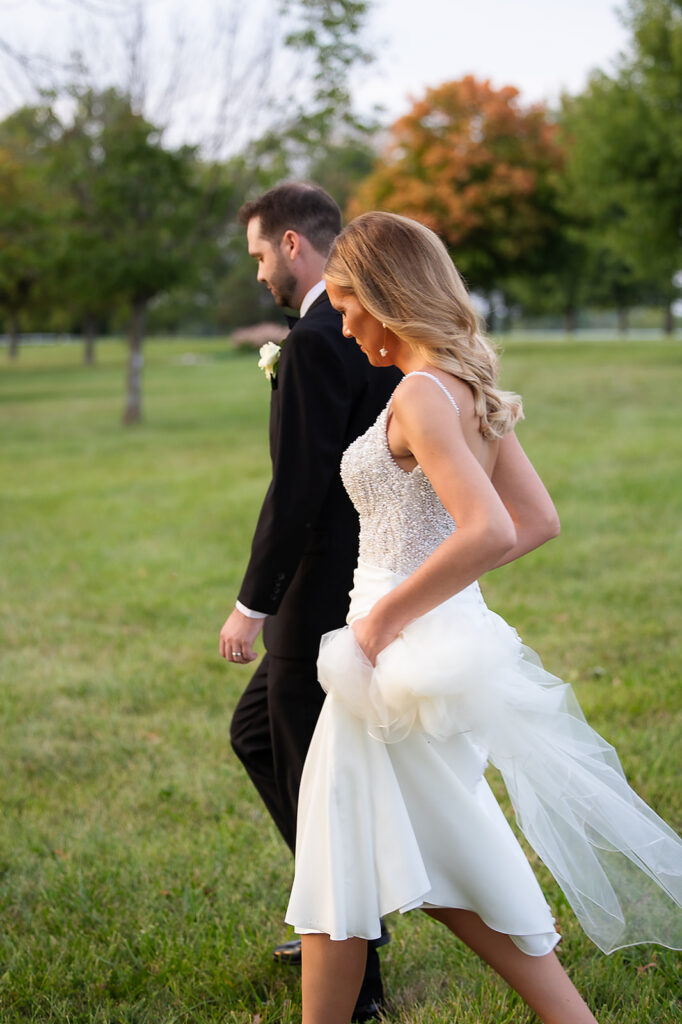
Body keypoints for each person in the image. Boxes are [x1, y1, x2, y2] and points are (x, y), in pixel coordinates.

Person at [284, 211, 682, 1024]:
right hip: (418, 654)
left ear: (386, 296)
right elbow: (537, 521)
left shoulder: (423, 395)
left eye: (348, 300)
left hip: (388, 657)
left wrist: (385, 617)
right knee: (386, 855)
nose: (342, 318)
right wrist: (444, 604)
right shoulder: (462, 387)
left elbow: (497, 528)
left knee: (358, 857)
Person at [219, 183, 401, 1021]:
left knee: (308, 769)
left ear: (293, 244)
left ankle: (352, 970)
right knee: (259, 733)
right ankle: (335, 916)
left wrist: (252, 604)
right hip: (359, 583)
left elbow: (298, 487)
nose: (258, 273)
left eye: (259, 255)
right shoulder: (366, 329)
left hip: (321, 590)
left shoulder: (321, 340)